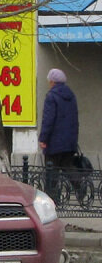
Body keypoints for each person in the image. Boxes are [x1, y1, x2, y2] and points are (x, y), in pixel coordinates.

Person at [39, 68, 79, 203]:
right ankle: (81, 186)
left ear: (52, 81)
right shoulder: (71, 95)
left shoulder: (51, 96)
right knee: (67, 166)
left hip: (54, 142)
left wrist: (43, 138)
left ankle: (51, 198)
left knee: (51, 170)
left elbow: (48, 119)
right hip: (69, 141)